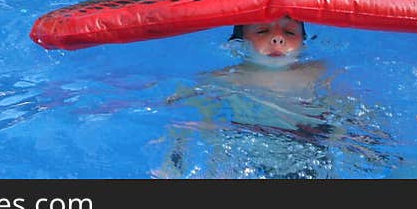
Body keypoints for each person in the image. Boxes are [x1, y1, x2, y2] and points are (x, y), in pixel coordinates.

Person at [155, 16, 397, 178]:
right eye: (262, 31)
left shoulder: (318, 71)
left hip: (310, 147)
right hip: (247, 148)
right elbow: (193, 110)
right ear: (239, 42)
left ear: (304, 42)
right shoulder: (226, 77)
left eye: (290, 32)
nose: (278, 38)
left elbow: (345, 107)